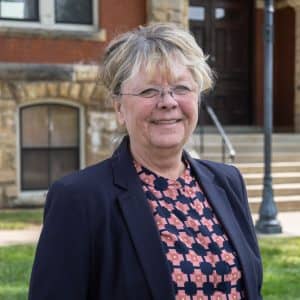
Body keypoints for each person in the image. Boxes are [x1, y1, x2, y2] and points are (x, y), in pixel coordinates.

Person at [29, 23, 262, 300]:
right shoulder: (79, 198)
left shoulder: (228, 181)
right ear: (119, 108)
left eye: (182, 88)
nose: (168, 102)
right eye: (149, 91)